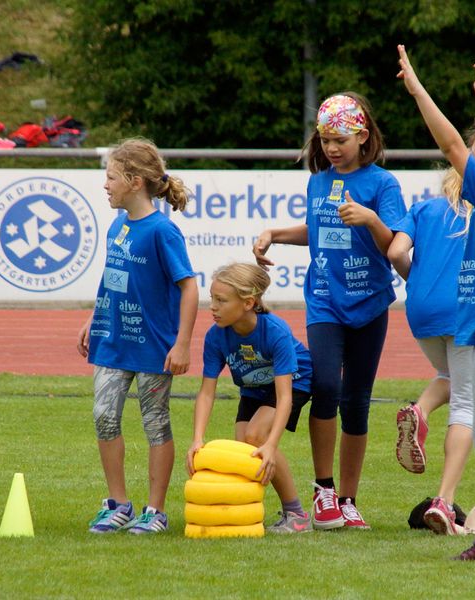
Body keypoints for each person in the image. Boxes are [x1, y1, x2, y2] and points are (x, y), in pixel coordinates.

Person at [253, 93, 406, 530]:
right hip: (323, 300)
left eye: (339, 139)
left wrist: (371, 219)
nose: (331, 148)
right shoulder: (318, 182)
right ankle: (323, 491)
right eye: (324, 140)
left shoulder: (382, 184)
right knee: (324, 386)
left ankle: (348, 499)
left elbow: (394, 246)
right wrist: (274, 233)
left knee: (356, 403)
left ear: (362, 135)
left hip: (370, 303)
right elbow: (316, 230)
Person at [77, 138, 198, 535]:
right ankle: (118, 504)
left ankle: (155, 510)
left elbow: (189, 288)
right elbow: (113, 278)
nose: (106, 185)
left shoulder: (162, 231)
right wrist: (94, 318)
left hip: (152, 347)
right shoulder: (118, 224)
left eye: (111, 177)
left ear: (134, 181)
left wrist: (181, 344)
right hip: (113, 340)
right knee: (104, 416)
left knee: (155, 424)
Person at [397, 43, 475, 559]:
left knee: (474, 413)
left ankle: (456, 508)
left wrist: (418, 91)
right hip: (469, 321)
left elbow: (452, 143)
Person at [186, 263, 313, 533]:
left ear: (248, 303)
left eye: (221, 300)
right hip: (254, 387)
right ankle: (247, 512)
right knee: (243, 445)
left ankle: (297, 516)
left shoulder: (275, 331)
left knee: (256, 437)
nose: (213, 307)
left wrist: (272, 443)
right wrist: (197, 438)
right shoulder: (215, 337)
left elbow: (284, 395)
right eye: (212, 298)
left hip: (295, 380)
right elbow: (207, 392)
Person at [388, 167, 474, 534]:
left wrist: (418, 280)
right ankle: (444, 499)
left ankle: (420, 411)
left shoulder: (423, 210)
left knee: (450, 376)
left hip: (421, 309)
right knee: (468, 402)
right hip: (465, 308)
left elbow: (395, 251)